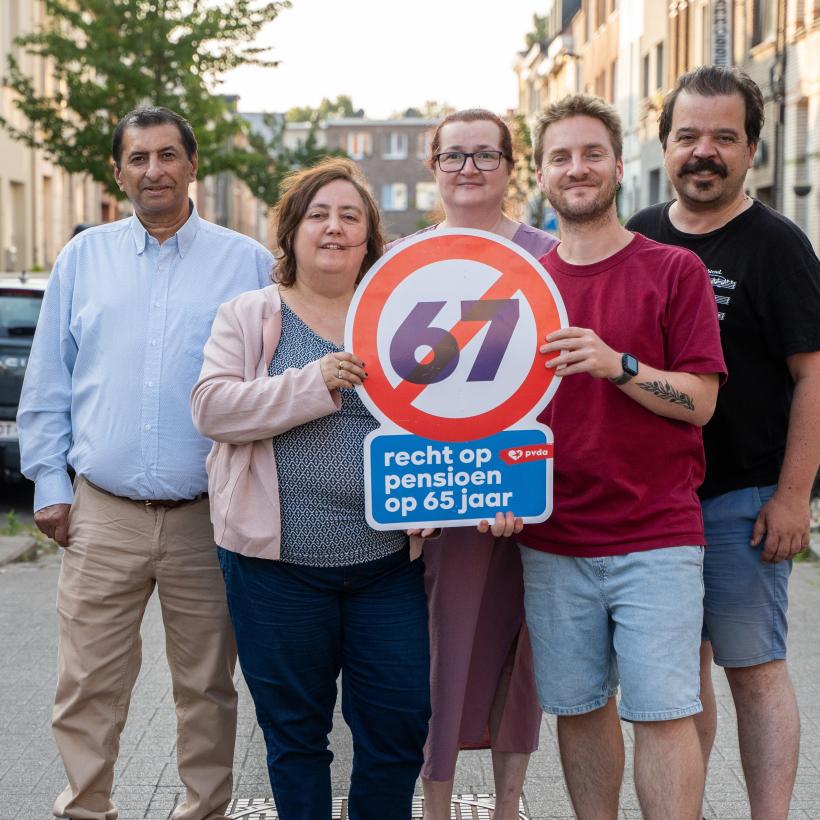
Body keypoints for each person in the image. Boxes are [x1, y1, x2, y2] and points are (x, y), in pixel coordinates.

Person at [16, 107, 273, 820]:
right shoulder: (83, 259)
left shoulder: (247, 263)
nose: (153, 170)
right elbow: (50, 380)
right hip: (102, 513)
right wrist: (49, 483)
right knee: (87, 684)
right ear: (118, 172)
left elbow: (267, 383)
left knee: (207, 688)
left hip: (208, 517)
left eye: (167, 155)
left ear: (193, 165)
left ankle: (204, 811)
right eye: (138, 158)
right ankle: (86, 808)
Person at [189, 158, 431, 820]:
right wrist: (313, 382)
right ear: (292, 231)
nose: (334, 228)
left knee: (399, 725)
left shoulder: (400, 317)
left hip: (387, 567)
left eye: (350, 216)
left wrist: (440, 497)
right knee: (295, 736)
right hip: (277, 573)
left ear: (369, 237)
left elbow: (442, 420)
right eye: (318, 214)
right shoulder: (250, 315)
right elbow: (212, 408)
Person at [518, 94, 727, 820]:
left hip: (656, 536)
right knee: (578, 708)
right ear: (541, 175)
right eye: (560, 157)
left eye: (591, 154)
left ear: (618, 166)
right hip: (552, 538)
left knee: (664, 712)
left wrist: (619, 366)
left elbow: (701, 402)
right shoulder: (521, 285)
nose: (576, 168)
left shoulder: (674, 270)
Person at [627, 65, 820, 819]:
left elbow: (813, 376)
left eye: (723, 137)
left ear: (751, 150)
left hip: (742, 500)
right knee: (680, 679)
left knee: (755, 671)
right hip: (656, 504)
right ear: (665, 145)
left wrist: (793, 497)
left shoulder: (778, 246)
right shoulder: (640, 233)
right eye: (687, 136)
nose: (703, 152)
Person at [388, 108, 556, 820]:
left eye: (486, 154)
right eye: (453, 155)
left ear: (510, 167)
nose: (469, 168)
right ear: (433, 166)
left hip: (531, 486)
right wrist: (401, 495)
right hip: (440, 494)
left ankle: (509, 807)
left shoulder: (550, 257)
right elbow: (384, 385)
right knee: (442, 655)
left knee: (525, 658)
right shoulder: (401, 260)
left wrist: (524, 479)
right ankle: (437, 806)